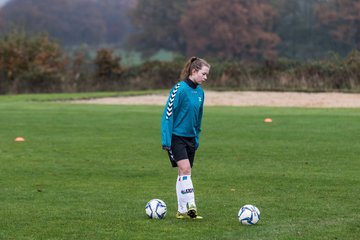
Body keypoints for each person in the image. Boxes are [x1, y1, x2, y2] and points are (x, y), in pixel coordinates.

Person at [161, 56, 210, 219]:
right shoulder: (179, 89)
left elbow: (199, 117)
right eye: (203, 74)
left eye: (207, 74)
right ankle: (191, 205)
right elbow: (168, 114)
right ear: (194, 71)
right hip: (176, 137)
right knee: (186, 169)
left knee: (183, 173)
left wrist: (196, 137)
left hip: (190, 138)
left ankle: (181, 211)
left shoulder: (200, 92)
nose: (205, 77)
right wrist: (166, 139)